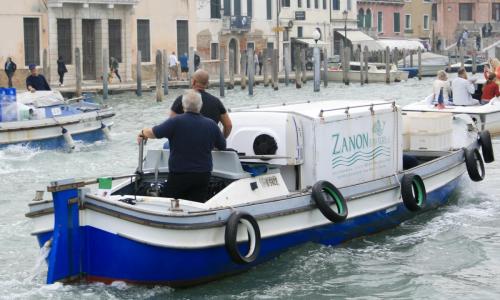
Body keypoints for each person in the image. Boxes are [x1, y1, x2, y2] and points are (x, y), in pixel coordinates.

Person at [137, 90, 226, 202]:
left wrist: (143, 132)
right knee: (196, 205)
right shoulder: (211, 124)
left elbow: (154, 133)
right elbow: (222, 146)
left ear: (183, 106)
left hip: (179, 175)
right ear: (201, 106)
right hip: (203, 175)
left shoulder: (175, 121)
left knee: (169, 204)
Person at [170, 69, 232, 138]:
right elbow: (228, 125)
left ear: (193, 82)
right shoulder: (216, 102)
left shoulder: (182, 99)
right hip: (209, 145)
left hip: (186, 144)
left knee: (165, 145)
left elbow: (171, 123)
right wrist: (221, 141)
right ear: (207, 83)